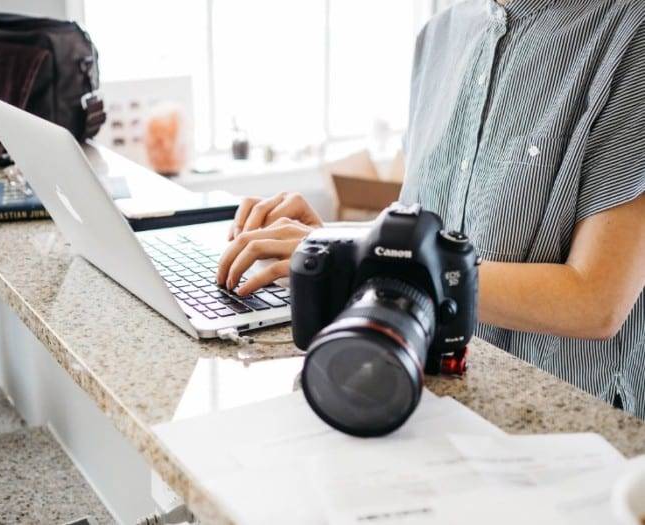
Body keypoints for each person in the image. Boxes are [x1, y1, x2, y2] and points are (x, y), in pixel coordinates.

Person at [216, 0, 645, 418]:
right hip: (427, 400)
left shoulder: (631, 31)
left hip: (563, 432)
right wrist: (335, 240)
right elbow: (424, 233)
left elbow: (595, 299)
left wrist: (357, 254)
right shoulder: (438, 37)